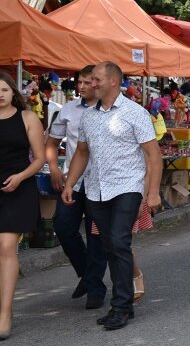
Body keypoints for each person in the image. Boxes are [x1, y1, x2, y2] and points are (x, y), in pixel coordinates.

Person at [62, 62, 162, 331]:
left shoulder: (135, 113)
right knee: (110, 247)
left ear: (114, 81)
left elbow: (154, 154)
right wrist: (70, 183)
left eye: (95, 79)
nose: (90, 84)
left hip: (127, 187)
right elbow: (82, 153)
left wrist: (152, 192)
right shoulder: (88, 117)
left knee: (118, 241)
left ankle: (122, 306)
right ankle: (122, 303)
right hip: (96, 189)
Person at [45, 65, 108, 310]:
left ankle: (94, 288)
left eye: (85, 82)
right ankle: (87, 274)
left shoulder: (109, 109)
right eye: (78, 82)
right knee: (63, 226)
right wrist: (53, 168)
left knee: (96, 235)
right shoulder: (68, 109)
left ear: (97, 83)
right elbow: (51, 142)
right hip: (74, 181)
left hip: (102, 183)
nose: (80, 87)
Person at [0, 72, 46, 340]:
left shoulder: (27, 117)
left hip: (18, 186)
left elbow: (39, 159)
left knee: (6, 247)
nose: (0, 95)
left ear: (12, 92)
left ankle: (5, 313)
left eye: (4, 90)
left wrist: (20, 178)